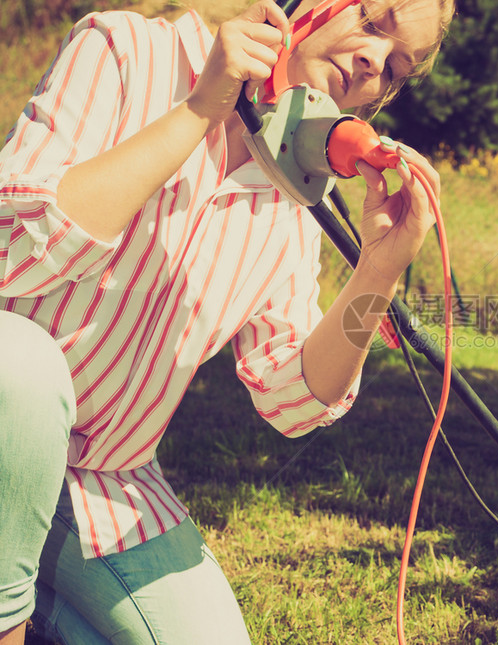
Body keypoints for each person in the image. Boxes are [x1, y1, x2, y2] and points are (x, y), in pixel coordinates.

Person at [0, 0, 454, 641]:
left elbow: (292, 399)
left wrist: (377, 273)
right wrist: (196, 111)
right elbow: (12, 251)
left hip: (102, 483)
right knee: (21, 363)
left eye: (397, 68)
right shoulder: (127, 50)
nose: (375, 64)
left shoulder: (299, 192)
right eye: (374, 26)